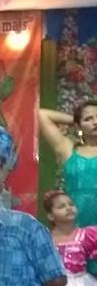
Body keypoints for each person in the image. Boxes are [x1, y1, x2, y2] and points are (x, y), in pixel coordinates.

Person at [39, 105, 97, 275]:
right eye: (88, 119)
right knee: (79, 278)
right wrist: (76, 120)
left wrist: (84, 121)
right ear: (78, 126)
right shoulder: (68, 150)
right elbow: (43, 114)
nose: (95, 122)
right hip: (74, 221)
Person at [42, 190, 97, 286]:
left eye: (71, 204)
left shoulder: (86, 235)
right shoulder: (44, 239)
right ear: (50, 216)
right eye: (61, 206)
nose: (68, 208)